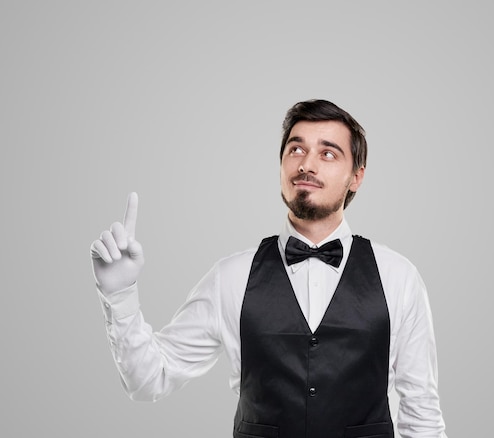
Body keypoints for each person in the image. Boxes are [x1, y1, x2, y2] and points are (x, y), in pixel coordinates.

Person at [90, 99, 448, 438]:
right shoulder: (230, 277)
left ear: (356, 177)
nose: (307, 164)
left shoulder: (398, 277)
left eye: (327, 153)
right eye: (296, 149)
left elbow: (422, 415)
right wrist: (120, 295)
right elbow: (149, 380)